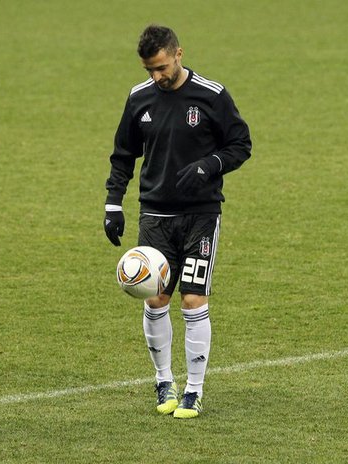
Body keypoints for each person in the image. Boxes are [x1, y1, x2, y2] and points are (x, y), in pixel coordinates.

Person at [104, 25, 251, 419]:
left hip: (201, 215)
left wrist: (209, 165)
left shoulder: (211, 95)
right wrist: (113, 203)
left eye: (162, 67)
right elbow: (123, 155)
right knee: (155, 298)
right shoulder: (139, 98)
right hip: (155, 214)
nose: (157, 76)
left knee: (192, 299)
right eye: (150, 70)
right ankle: (164, 381)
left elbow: (240, 145)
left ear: (179, 54)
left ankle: (194, 390)